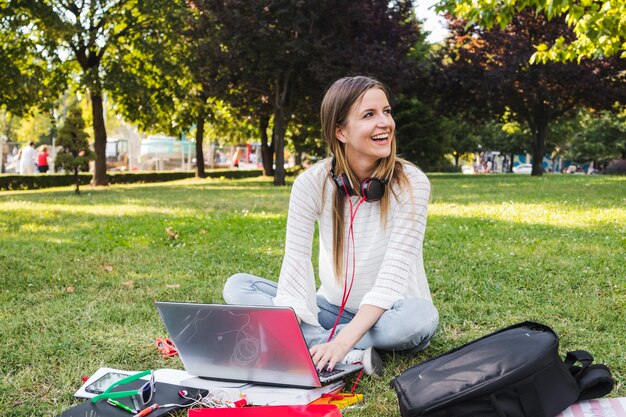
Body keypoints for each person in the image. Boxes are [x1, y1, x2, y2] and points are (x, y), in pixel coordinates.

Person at [223, 76, 438, 376]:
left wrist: (341, 341)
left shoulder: (412, 183)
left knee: (419, 318)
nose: (385, 123)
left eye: (386, 111)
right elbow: (295, 260)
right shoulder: (311, 183)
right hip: (330, 309)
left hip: (392, 313)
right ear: (340, 132)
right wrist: (300, 314)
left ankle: (324, 346)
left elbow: (394, 276)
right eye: (369, 115)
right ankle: (348, 352)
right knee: (238, 286)